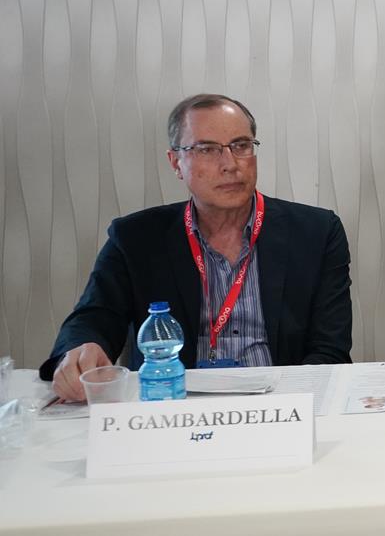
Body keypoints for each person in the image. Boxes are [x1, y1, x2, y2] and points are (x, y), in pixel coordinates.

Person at [43, 94, 353, 401]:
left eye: (241, 145)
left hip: (281, 404)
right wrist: (81, 348)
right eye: (207, 149)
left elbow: (330, 350)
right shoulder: (136, 238)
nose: (230, 164)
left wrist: (287, 406)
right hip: (174, 405)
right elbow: (94, 317)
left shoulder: (316, 232)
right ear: (176, 163)